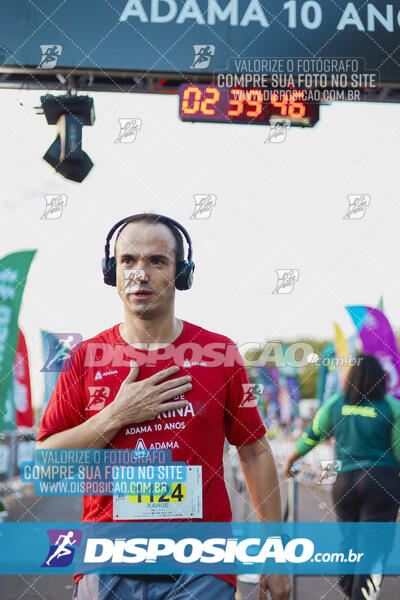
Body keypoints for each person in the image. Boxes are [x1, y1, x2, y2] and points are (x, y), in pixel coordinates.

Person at [36, 213, 291, 600]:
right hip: (107, 564)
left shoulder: (219, 353)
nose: (141, 273)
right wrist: (117, 415)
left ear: (181, 273)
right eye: (128, 260)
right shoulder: (86, 358)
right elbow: (47, 464)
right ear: (111, 272)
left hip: (201, 567)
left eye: (157, 261)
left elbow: (254, 450)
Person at [284, 353, 400, 600]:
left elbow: (313, 434)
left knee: (348, 541)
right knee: (374, 546)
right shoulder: (392, 407)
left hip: (345, 481)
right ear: (381, 378)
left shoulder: (336, 403)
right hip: (381, 482)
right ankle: (360, 595)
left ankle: (348, 593)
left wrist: (291, 459)